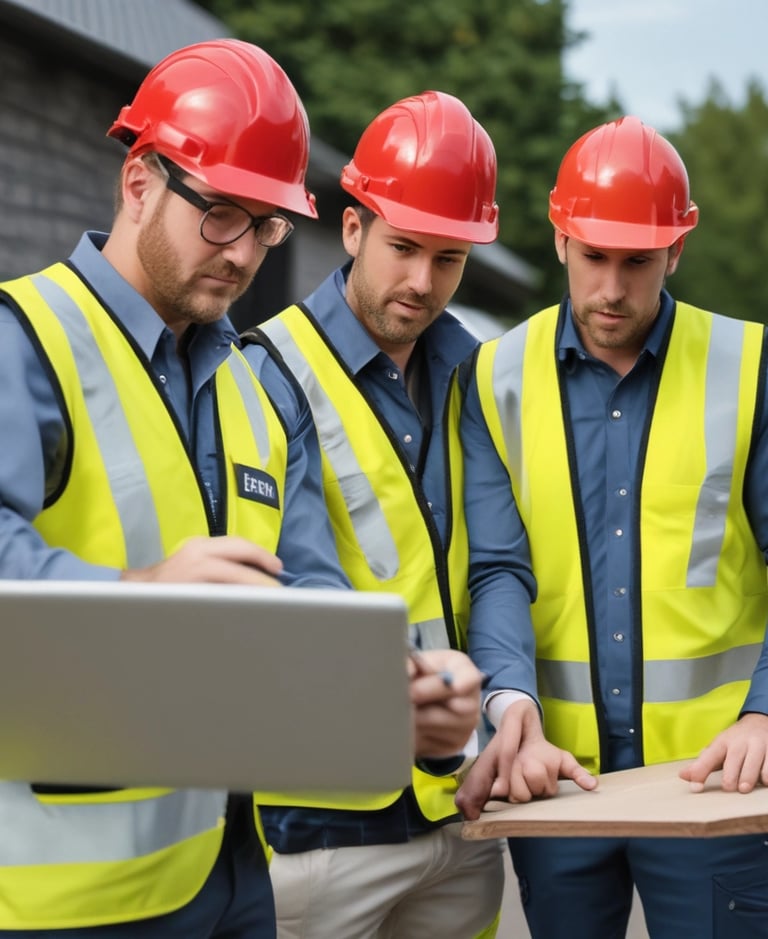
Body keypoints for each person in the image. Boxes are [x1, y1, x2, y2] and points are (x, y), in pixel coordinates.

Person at [0, 38, 352, 938]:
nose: (245, 254)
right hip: (70, 901)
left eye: (269, 224)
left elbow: (307, 586)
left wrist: (392, 686)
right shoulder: (24, 342)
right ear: (139, 180)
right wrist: (138, 597)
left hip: (236, 875)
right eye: (223, 214)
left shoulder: (257, 387)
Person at [456, 114, 768, 938]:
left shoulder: (751, 367)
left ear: (679, 247)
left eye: (639, 261)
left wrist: (766, 713)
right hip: (557, 781)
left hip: (718, 784)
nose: (612, 289)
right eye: (594, 255)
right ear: (559, 237)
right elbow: (498, 567)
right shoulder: (494, 377)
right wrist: (509, 695)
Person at [244, 90, 505, 939]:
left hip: (458, 817)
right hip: (325, 826)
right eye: (403, 247)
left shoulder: (475, 374)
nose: (423, 282)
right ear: (352, 227)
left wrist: (501, 710)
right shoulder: (268, 370)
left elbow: (498, 559)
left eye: (449, 258)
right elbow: (299, 573)